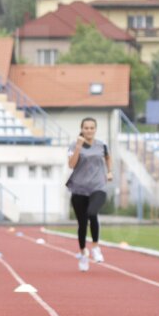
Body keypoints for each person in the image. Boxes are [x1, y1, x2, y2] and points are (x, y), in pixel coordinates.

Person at [66, 117, 113, 272]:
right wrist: (79, 147)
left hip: (97, 186)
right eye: (86, 128)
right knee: (82, 224)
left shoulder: (102, 145)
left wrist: (110, 171)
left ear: (95, 129)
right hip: (79, 188)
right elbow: (71, 164)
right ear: (82, 129)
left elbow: (108, 157)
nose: (89, 130)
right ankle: (83, 254)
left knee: (92, 213)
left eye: (92, 128)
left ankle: (95, 247)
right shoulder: (74, 145)